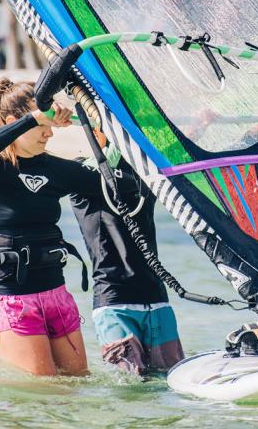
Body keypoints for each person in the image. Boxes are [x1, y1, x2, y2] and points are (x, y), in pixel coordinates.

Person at [0, 78, 103, 376]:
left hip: (56, 294)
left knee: (77, 385)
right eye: (43, 125)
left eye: (50, 125)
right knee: (43, 391)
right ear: (15, 123)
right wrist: (34, 118)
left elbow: (110, 182)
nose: (49, 133)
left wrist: (94, 124)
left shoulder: (55, 169)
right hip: (14, 299)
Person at [70, 129, 185, 376]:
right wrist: (116, 126)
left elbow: (188, 154)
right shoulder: (81, 174)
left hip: (157, 302)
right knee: (131, 388)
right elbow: (108, 160)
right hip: (115, 303)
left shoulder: (144, 170)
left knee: (171, 380)